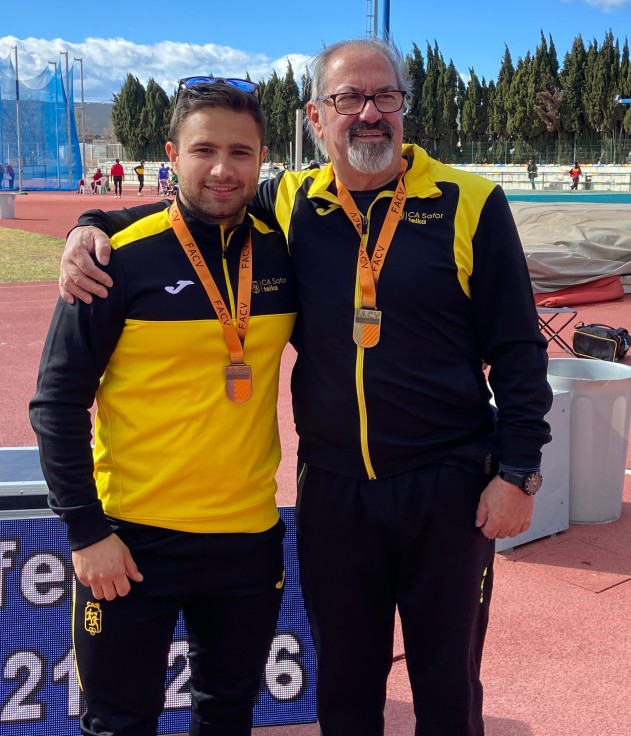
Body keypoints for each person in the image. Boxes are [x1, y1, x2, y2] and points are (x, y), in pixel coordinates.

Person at [59, 38, 552, 736]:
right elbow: (195, 203)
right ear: (316, 119)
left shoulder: (468, 201)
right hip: (334, 493)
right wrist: (92, 224)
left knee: (446, 685)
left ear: (404, 108)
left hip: (447, 488)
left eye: (385, 96)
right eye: (348, 99)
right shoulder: (290, 200)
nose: (368, 114)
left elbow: (518, 348)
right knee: (345, 685)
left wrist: (519, 468)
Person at [31, 79, 297, 736]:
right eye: (204, 149)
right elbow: (56, 404)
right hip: (129, 540)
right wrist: (87, 532)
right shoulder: (113, 260)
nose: (221, 168)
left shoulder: (283, 253)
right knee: (119, 722)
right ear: (171, 155)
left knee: (227, 714)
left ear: (262, 159)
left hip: (246, 540)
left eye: (240, 152)